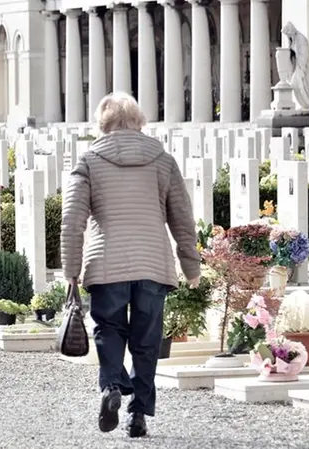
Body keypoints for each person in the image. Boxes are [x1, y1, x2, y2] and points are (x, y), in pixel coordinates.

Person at [60, 93, 200, 438]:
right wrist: (191, 266)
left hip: (106, 262)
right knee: (146, 340)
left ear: (102, 124)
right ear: (139, 122)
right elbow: (181, 218)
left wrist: (71, 270)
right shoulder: (162, 160)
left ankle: (110, 387)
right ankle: (138, 414)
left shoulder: (90, 160)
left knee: (108, 330)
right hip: (153, 262)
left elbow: (72, 219)